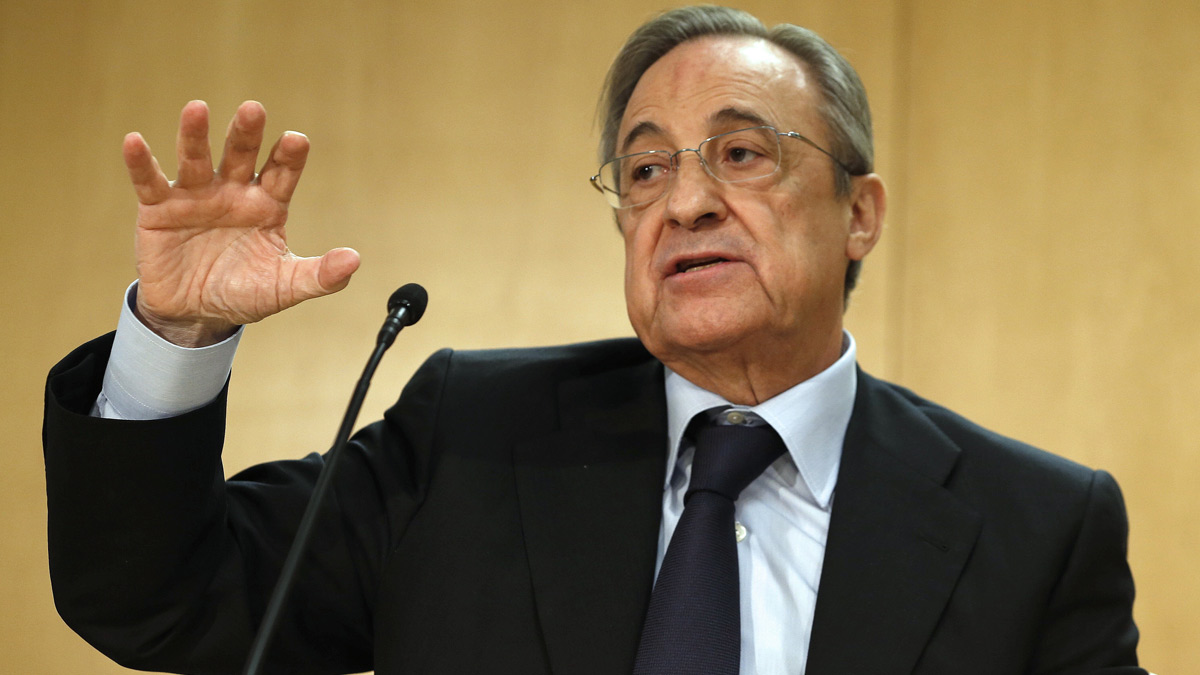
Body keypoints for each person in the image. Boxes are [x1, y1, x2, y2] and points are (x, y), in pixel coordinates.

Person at [43, 6, 1146, 674]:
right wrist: (177, 332)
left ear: (859, 212)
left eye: (743, 154)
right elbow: (166, 599)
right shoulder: (470, 440)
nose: (686, 203)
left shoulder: (1037, 527)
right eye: (647, 168)